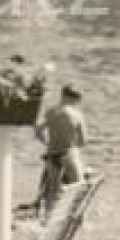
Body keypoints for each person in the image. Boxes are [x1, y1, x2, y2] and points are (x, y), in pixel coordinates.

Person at [34, 85, 88, 215]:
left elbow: (38, 130)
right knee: (78, 186)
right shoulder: (77, 114)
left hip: (52, 154)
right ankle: (77, 217)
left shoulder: (51, 112)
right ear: (75, 100)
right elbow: (83, 141)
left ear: (62, 95)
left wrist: (46, 142)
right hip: (68, 154)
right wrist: (74, 145)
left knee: (52, 190)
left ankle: (47, 218)